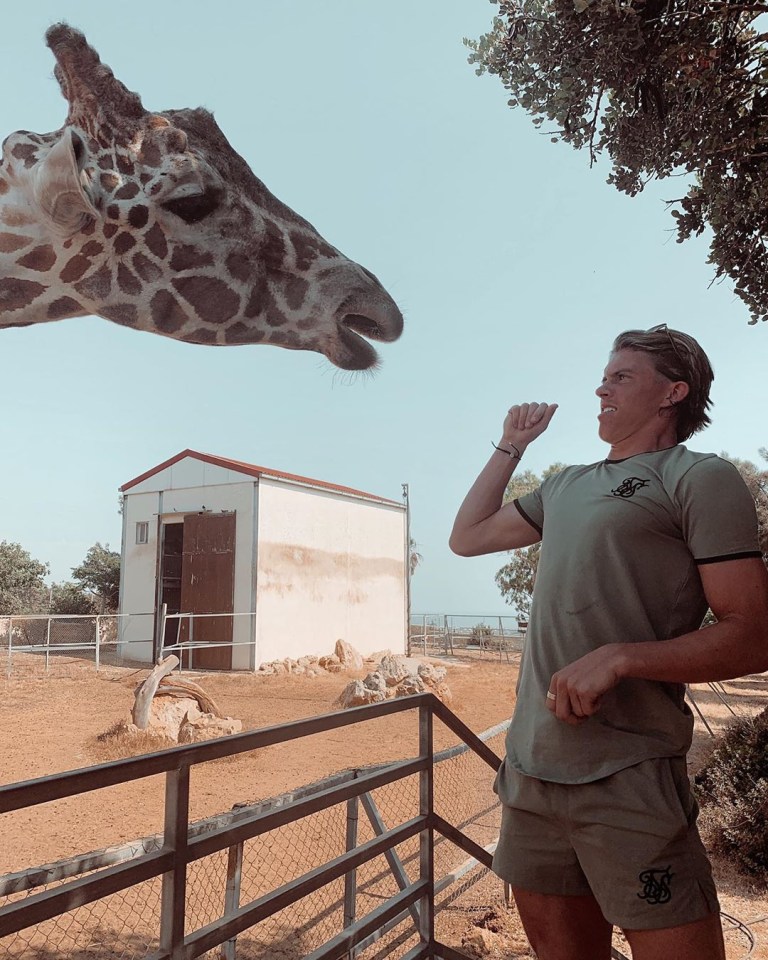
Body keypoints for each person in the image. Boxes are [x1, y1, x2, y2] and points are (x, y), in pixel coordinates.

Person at [449, 326, 768, 960]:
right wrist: (511, 446)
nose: (601, 386)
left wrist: (623, 658)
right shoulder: (566, 484)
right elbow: (469, 536)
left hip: (629, 774)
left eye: (621, 376)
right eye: (605, 374)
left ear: (672, 392)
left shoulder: (699, 478)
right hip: (531, 771)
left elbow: (754, 636)